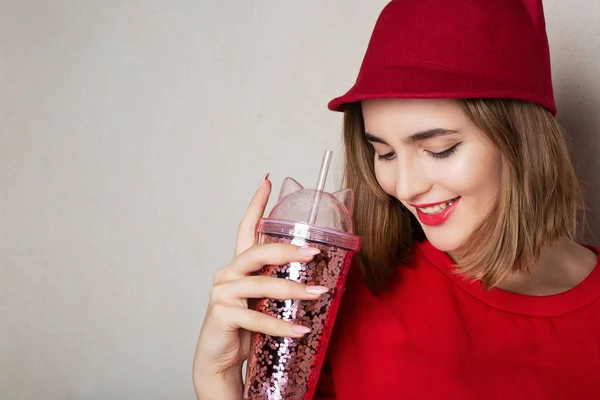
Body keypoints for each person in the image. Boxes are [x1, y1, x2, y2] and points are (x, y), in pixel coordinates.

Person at [193, 0, 600, 399]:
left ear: (524, 144)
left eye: (440, 149)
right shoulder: (333, 293)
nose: (404, 188)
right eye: (384, 153)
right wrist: (220, 381)